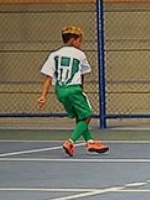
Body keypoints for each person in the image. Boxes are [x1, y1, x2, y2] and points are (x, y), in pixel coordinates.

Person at [36, 26, 109, 157]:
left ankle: (90, 141)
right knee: (87, 115)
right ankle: (70, 141)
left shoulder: (54, 55)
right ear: (74, 40)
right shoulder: (80, 54)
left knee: (79, 115)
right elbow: (82, 74)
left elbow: (48, 77)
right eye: (80, 40)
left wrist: (43, 96)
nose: (80, 43)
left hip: (60, 91)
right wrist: (81, 89)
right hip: (73, 88)